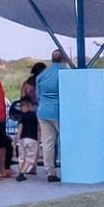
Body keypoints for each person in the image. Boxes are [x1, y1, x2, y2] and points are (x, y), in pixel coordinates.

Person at [34, 48, 64, 182]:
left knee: (47, 143)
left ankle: (50, 172)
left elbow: (38, 95)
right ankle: (69, 168)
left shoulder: (41, 75)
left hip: (43, 112)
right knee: (65, 141)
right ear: (63, 59)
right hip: (59, 111)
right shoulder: (64, 73)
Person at [13, 97, 39, 182]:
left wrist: (17, 137)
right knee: (30, 158)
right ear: (30, 105)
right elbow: (38, 128)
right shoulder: (34, 115)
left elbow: (20, 127)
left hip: (22, 139)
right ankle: (22, 173)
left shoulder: (22, 117)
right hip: (32, 139)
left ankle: (20, 172)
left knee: (21, 157)